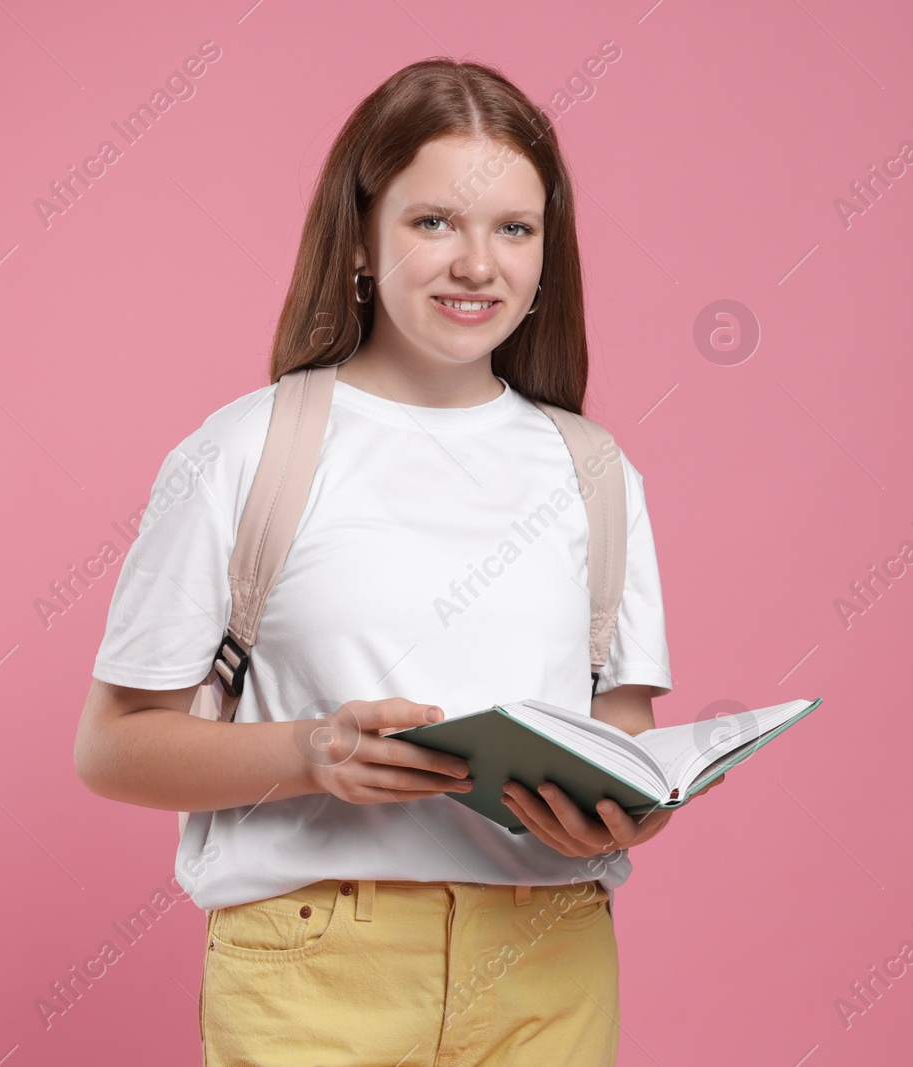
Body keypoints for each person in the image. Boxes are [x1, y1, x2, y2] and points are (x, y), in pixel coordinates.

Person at [74, 56, 714, 1066]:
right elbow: (111, 745)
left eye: (514, 228)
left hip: (551, 964)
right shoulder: (245, 451)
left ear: (548, 256)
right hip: (310, 969)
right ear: (363, 239)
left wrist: (622, 819)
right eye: (434, 223)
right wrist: (308, 753)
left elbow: (626, 737)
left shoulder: (593, 470)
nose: (477, 264)